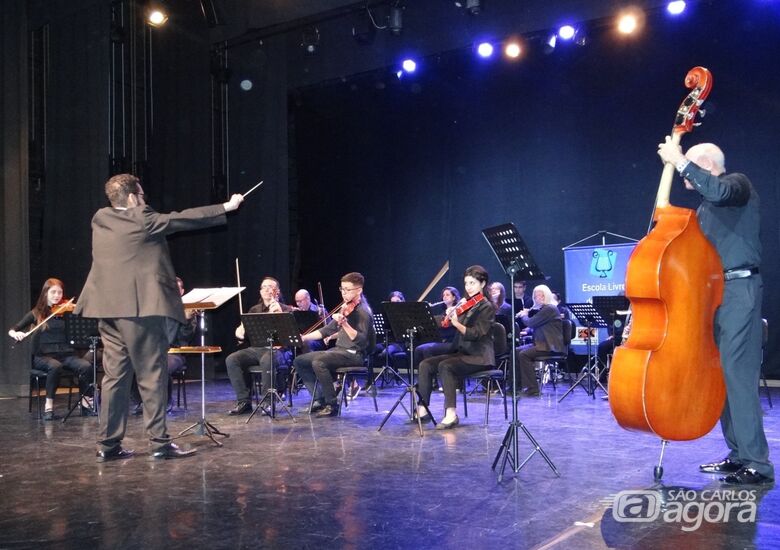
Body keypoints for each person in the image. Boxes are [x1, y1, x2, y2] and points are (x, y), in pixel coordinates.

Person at [75, 173, 243, 462]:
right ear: (131, 198)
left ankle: (108, 444)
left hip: (108, 310)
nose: (145, 200)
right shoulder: (142, 216)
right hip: (140, 309)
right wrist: (226, 206)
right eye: (141, 195)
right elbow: (182, 219)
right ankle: (159, 443)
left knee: (115, 377)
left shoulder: (100, 218)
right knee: (152, 374)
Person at [657, 138, 772, 485]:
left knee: (737, 376)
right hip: (716, 295)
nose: (684, 178)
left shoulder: (737, 185)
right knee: (722, 376)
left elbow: (720, 192)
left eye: (689, 170)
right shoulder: (705, 209)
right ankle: (738, 455)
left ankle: (757, 463)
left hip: (740, 291)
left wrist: (678, 159)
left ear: (706, 164)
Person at [416, 265, 495, 429]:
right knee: (425, 364)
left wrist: (457, 323)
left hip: (479, 356)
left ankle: (451, 414)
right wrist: (425, 318)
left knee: (446, 366)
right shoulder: (467, 303)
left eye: (472, 283)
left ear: (482, 284)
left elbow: (475, 334)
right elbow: (445, 322)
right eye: (466, 283)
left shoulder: (486, 306)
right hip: (462, 352)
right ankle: (422, 409)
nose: (468, 287)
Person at [8, 278, 94, 420]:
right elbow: (13, 329)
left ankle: (85, 405)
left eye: (59, 292)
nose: (57, 296)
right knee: (55, 366)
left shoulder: (66, 312)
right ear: (45, 293)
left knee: (86, 366)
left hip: (65, 354)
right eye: (53, 292)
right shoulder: (36, 313)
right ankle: (49, 407)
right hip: (43, 356)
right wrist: (16, 334)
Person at [295, 272, 373, 417]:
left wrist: (345, 324)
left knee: (319, 362)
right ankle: (319, 400)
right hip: (339, 351)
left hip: (354, 354)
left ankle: (332, 404)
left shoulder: (363, 312)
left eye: (348, 290)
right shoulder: (346, 307)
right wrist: (303, 338)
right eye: (342, 289)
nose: (344, 293)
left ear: (359, 290)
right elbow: (326, 330)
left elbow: (361, 341)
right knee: (300, 361)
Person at [225, 277, 293, 415]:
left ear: (277, 291)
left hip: (279, 350)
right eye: (264, 287)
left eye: (271, 287)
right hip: (257, 348)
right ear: (260, 291)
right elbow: (242, 334)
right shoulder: (254, 309)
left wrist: (279, 314)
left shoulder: (286, 309)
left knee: (267, 360)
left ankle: (268, 402)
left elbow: (289, 336)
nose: (267, 289)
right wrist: (241, 330)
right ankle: (244, 401)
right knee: (232, 359)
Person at [514, 284, 565, 397]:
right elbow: (538, 325)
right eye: (536, 296)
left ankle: (532, 389)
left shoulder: (550, 308)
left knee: (524, 355)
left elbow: (531, 323)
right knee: (515, 351)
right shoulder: (544, 309)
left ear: (547, 296)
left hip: (550, 346)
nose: (538, 298)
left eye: (541, 296)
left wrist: (524, 315)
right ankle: (515, 386)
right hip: (542, 344)